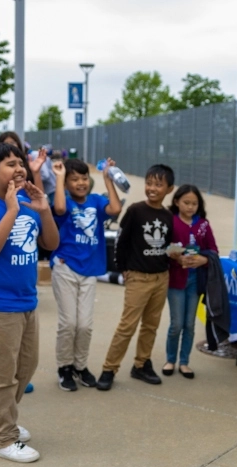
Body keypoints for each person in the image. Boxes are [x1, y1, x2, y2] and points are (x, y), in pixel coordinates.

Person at [0, 142, 58, 463]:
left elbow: (51, 243)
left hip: (25, 301)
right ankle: (3, 438)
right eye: (9, 164)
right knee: (3, 373)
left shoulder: (26, 200)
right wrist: (11, 212)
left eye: (20, 162)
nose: (19, 168)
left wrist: (43, 208)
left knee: (26, 366)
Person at [97, 164, 176, 391]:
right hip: (138, 278)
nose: (152, 188)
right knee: (127, 326)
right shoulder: (135, 211)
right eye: (149, 183)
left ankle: (141, 364)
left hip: (161, 278)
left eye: (158, 185)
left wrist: (176, 257)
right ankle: (109, 369)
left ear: (168, 189)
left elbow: (167, 245)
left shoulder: (168, 216)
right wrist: (124, 269)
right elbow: (120, 242)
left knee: (151, 325)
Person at [49, 158, 121, 391]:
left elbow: (115, 209)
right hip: (66, 267)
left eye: (83, 178)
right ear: (67, 184)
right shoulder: (65, 203)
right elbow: (58, 209)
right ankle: (64, 367)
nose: (80, 183)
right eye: (74, 179)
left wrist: (107, 179)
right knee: (69, 323)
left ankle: (80, 366)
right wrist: (59, 177)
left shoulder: (97, 201)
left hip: (90, 270)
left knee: (85, 325)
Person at [163, 184, 217, 379]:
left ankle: (184, 362)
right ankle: (170, 359)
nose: (190, 207)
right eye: (186, 202)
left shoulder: (203, 224)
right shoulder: (170, 221)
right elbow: (161, 246)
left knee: (189, 324)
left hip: (195, 279)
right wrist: (176, 256)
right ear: (176, 202)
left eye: (194, 203)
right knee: (176, 323)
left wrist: (203, 259)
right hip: (176, 279)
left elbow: (213, 250)